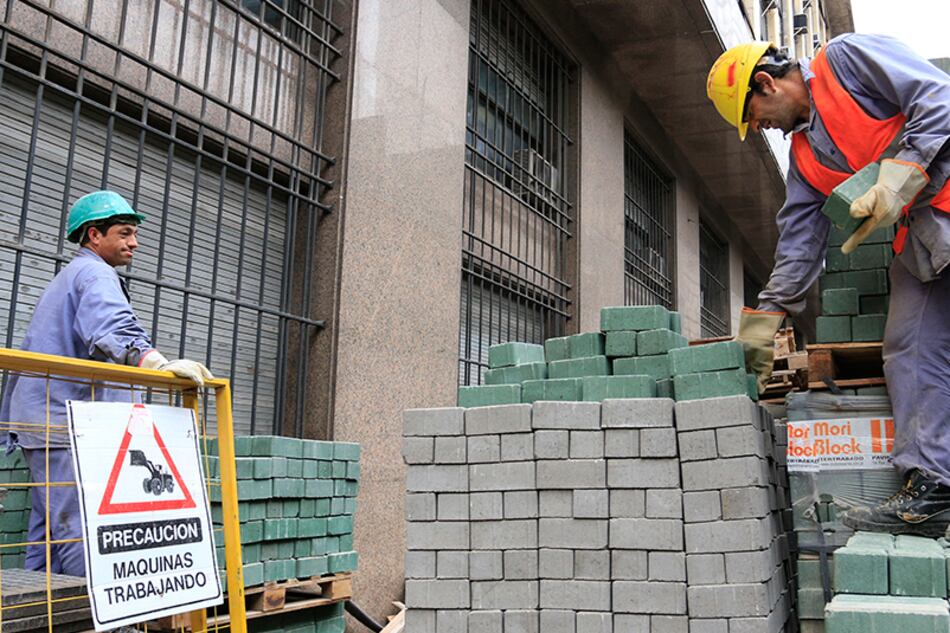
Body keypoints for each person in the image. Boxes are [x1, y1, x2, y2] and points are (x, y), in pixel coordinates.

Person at [706, 34, 950, 536]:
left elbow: (937, 97)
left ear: (767, 83)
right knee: (910, 348)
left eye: (753, 116)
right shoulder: (805, 159)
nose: (760, 128)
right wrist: (763, 327)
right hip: (923, 240)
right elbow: (799, 244)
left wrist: (904, 170)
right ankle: (933, 485)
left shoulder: (844, 60)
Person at [0, 190, 213, 576]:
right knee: (81, 528)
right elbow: (111, 327)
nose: (135, 242)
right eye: (125, 232)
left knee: (50, 527)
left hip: (46, 421)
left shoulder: (71, 276)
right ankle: (95, 616)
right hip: (63, 423)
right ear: (94, 236)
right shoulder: (96, 273)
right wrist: (157, 363)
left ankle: (37, 606)